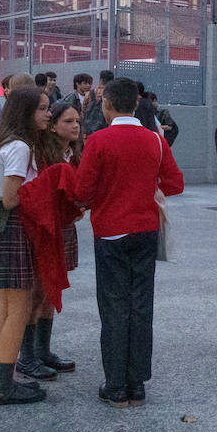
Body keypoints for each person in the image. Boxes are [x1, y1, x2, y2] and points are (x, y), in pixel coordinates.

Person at [75, 77, 184, 407]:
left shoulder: (99, 140)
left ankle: (116, 384)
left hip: (110, 231)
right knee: (141, 305)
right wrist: (148, 189)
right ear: (136, 104)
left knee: (114, 306)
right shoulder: (154, 140)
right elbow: (175, 184)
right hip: (146, 230)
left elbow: (82, 192)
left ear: (106, 104)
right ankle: (137, 383)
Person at [0, 88, 52, 404]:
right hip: (16, 228)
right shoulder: (20, 147)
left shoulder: (3, 143)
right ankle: (4, 385)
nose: (48, 113)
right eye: (42, 109)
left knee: (5, 310)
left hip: (4, 230)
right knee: (17, 311)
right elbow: (11, 197)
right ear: (25, 112)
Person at [19, 99, 85, 378]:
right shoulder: (39, 152)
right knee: (36, 290)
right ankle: (27, 356)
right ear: (54, 126)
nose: (75, 127)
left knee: (49, 288)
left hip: (65, 225)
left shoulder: (77, 153)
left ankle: (42, 351)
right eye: (68, 122)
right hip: (43, 226)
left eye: (77, 122)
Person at [81, 70, 113, 137]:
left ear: (100, 80)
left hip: (88, 132)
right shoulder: (111, 95)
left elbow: (83, 111)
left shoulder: (89, 94)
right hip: (104, 132)